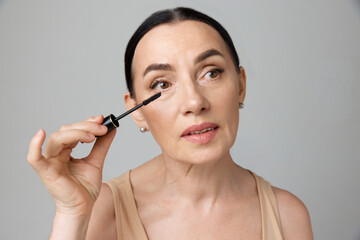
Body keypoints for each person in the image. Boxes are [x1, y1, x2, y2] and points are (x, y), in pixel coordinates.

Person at [27, 7, 313, 240]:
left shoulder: (288, 216)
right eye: (161, 83)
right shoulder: (104, 210)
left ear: (240, 85)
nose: (194, 102)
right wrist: (72, 214)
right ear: (136, 111)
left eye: (211, 73)